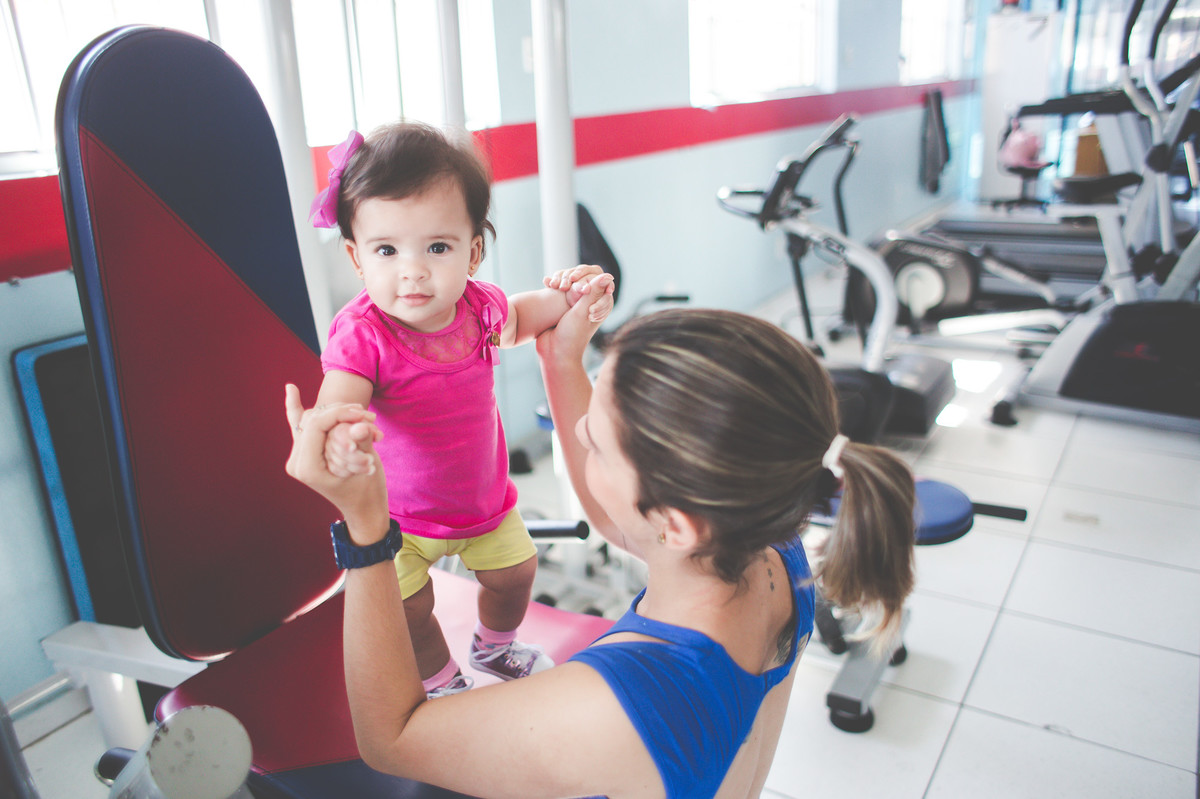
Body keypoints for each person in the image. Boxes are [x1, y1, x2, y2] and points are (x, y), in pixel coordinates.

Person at [284, 286, 916, 798]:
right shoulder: (774, 549)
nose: (578, 430)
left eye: (600, 444)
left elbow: (391, 738)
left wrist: (367, 531)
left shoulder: (614, 707)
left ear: (675, 521)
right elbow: (625, 522)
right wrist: (564, 361)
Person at [310, 121, 615, 698]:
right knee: (411, 607)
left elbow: (525, 318)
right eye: (386, 250)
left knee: (516, 576)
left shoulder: (479, 308)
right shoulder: (362, 336)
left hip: (483, 505)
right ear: (356, 259)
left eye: (437, 247)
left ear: (473, 252)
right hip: (400, 521)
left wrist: (575, 296)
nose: (413, 269)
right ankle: (442, 680)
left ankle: (494, 647)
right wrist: (341, 431)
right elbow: (340, 397)